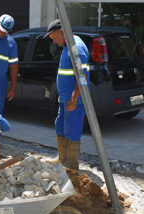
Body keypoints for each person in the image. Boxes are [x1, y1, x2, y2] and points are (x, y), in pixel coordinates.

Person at [44, 19, 90, 171]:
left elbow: (82, 76)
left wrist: (74, 98)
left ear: (61, 32)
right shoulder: (67, 46)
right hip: (65, 98)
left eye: (54, 38)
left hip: (74, 100)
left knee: (72, 130)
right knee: (61, 126)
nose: (55, 42)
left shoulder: (76, 48)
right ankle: (62, 158)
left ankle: (71, 165)